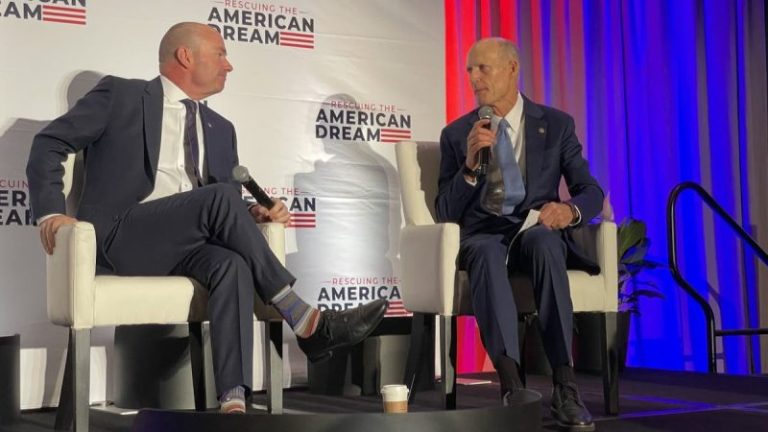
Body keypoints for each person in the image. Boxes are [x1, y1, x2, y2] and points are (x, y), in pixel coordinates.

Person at [26, 22, 387, 414]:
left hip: (185, 243)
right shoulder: (122, 95)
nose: (229, 65)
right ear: (186, 56)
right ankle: (302, 317)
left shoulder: (221, 129)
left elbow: (223, 203)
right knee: (218, 198)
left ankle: (234, 402)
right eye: (221, 54)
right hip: (123, 236)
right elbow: (49, 143)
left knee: (232, 265)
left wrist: (254, 212)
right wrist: (50, 213)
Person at [436, 37, 603, 431]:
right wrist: (469, 167)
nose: (474, 78)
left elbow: (590, 191)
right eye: (470, 70)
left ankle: (565, 385)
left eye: (483, 68)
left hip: (533, 228)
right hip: (484, 234)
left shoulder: (557, 125)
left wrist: (569, 211)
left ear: (512, 69)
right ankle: (512, 388)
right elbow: (445, 211)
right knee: (485, 252)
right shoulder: (457, 134)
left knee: (546, 242)